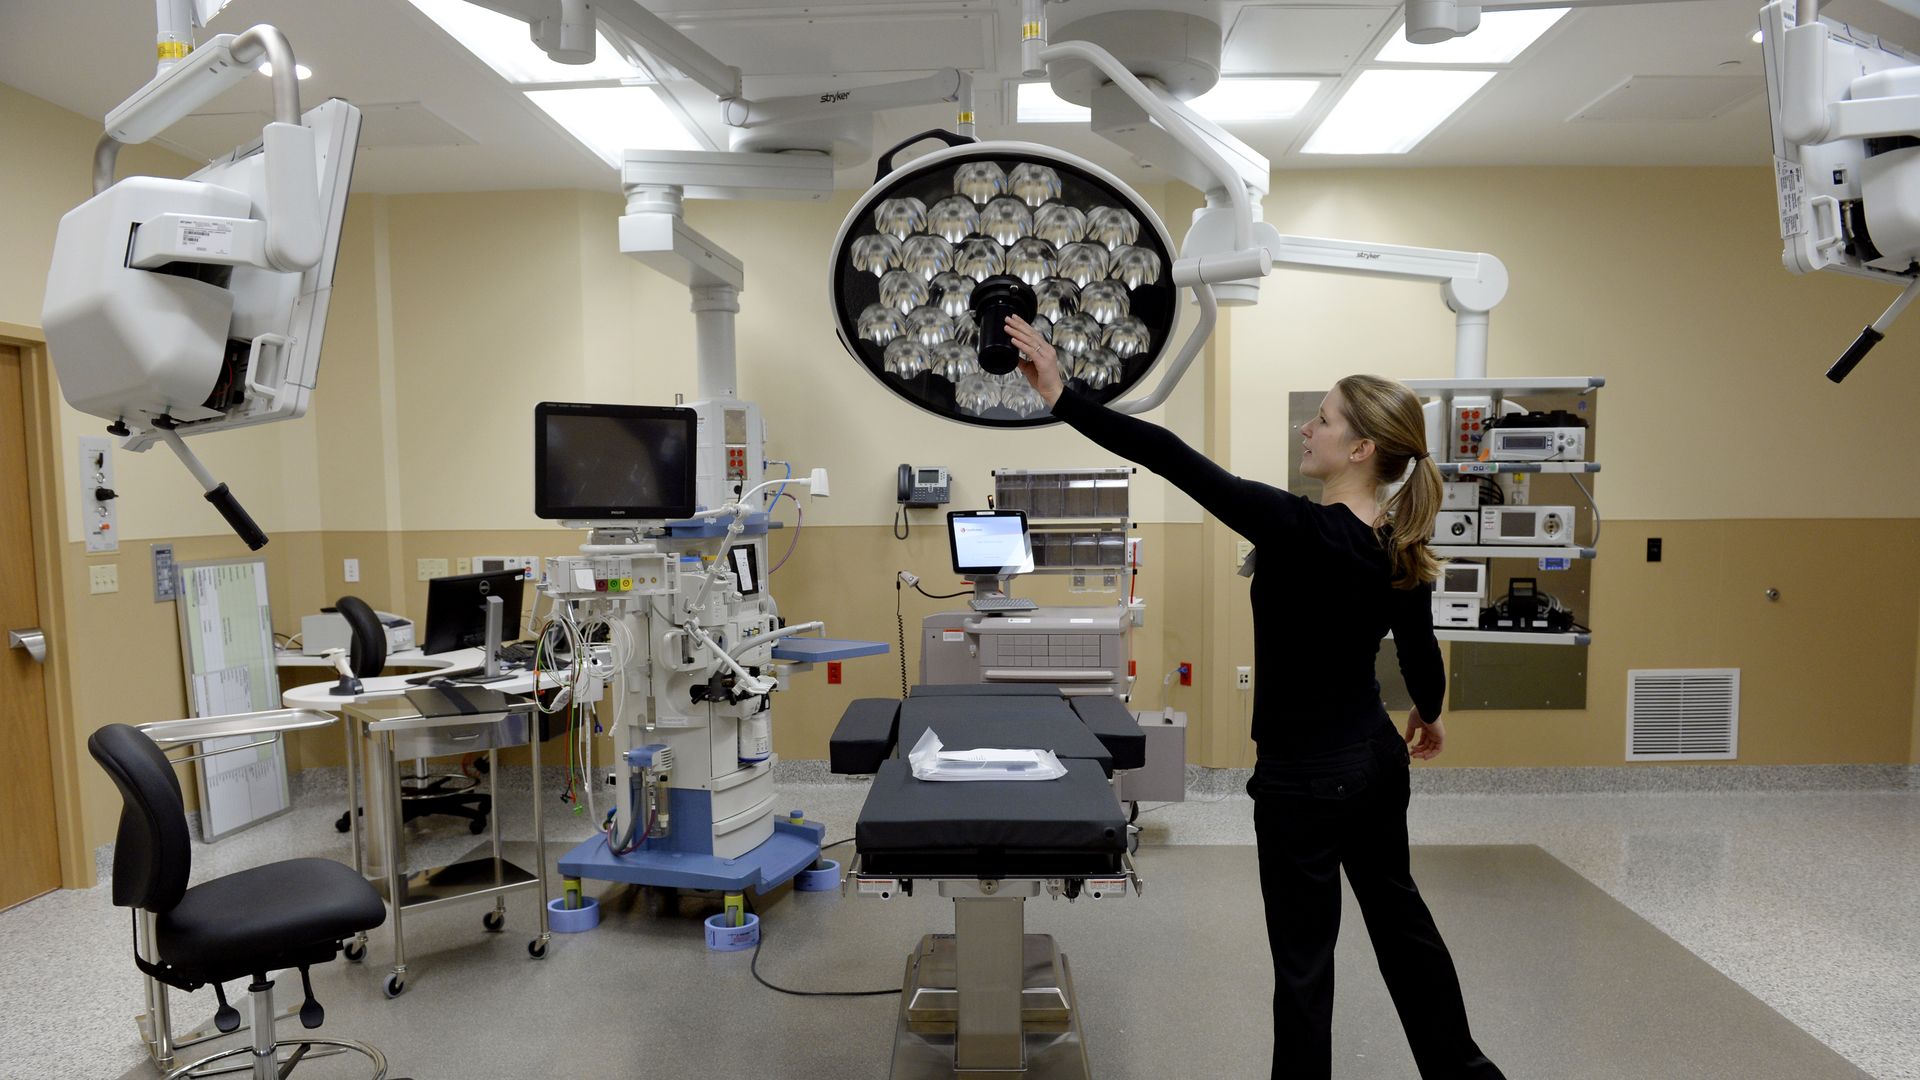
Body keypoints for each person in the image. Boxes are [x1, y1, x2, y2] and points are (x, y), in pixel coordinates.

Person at [1004, 315, 1505, 1080]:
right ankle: (1466, 1072)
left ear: (1361, 449)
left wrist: (1063, 395)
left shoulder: (1300, 527)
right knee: (1404, 925)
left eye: (1326, 419)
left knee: (1305, 967)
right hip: (1373, 762)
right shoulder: (1398, 546)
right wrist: (1428, 716)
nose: (1311, 427)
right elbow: (1422, 662)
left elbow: (1172, 458)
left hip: (1304, 782)